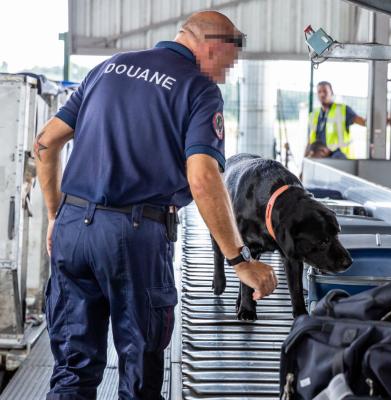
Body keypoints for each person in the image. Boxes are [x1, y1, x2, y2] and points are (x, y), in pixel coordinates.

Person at [34, 11, 278, 399]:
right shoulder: (197, 88)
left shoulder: (108, 68)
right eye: (228, 63)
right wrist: (239, 260)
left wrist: (54, 215)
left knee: (72, 370)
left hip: (72, 228)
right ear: (213, 46)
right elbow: (203, 178)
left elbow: (45, 143)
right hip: (134, 237)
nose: (225, 74)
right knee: (141, 373)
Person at [307, 81, 366, 158]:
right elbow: (309, 141)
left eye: (325, 91)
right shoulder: (313, 115)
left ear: (331, 93)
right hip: (319, 157)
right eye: (319, 92)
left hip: (340, 157)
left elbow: (363, 122)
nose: (322, 94)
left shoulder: (343, 110)